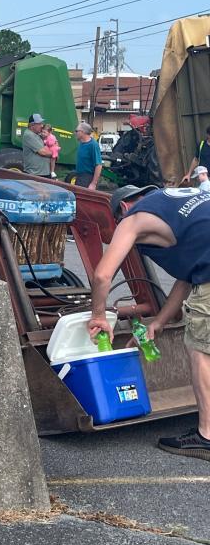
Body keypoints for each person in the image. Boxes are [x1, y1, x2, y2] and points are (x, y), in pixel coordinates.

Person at [87, 185, 210, 460]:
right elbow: (189, 276)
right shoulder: (178, 201)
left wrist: (97, 316)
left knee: (201, 350)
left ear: (124, 208)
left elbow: (102, 276)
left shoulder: (133, 218)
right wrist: (159, 322)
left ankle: (206, 436)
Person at [73, 121, 103, 189]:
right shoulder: (81, 143)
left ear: (83, 132)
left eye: (77, 131)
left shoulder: (93, 145)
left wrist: (93, 183)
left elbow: (98, 165)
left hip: (87, 178)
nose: (75, 133)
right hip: (79, 177)